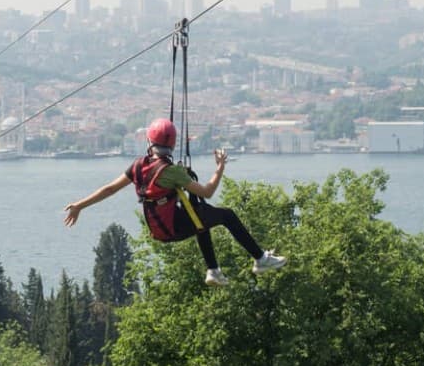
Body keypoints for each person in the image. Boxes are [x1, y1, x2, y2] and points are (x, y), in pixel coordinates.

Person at [64, 118, 286, 286]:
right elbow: (208, 191)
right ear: (171, 145)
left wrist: (79, 206)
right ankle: (259, 259)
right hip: (174, 228)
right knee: (226, 215)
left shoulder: (138, 166)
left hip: (158, 229)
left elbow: (109, 189)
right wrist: (220, 168)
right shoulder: (171, 171)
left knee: (201, 213)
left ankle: (214, 270)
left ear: (149, 142)